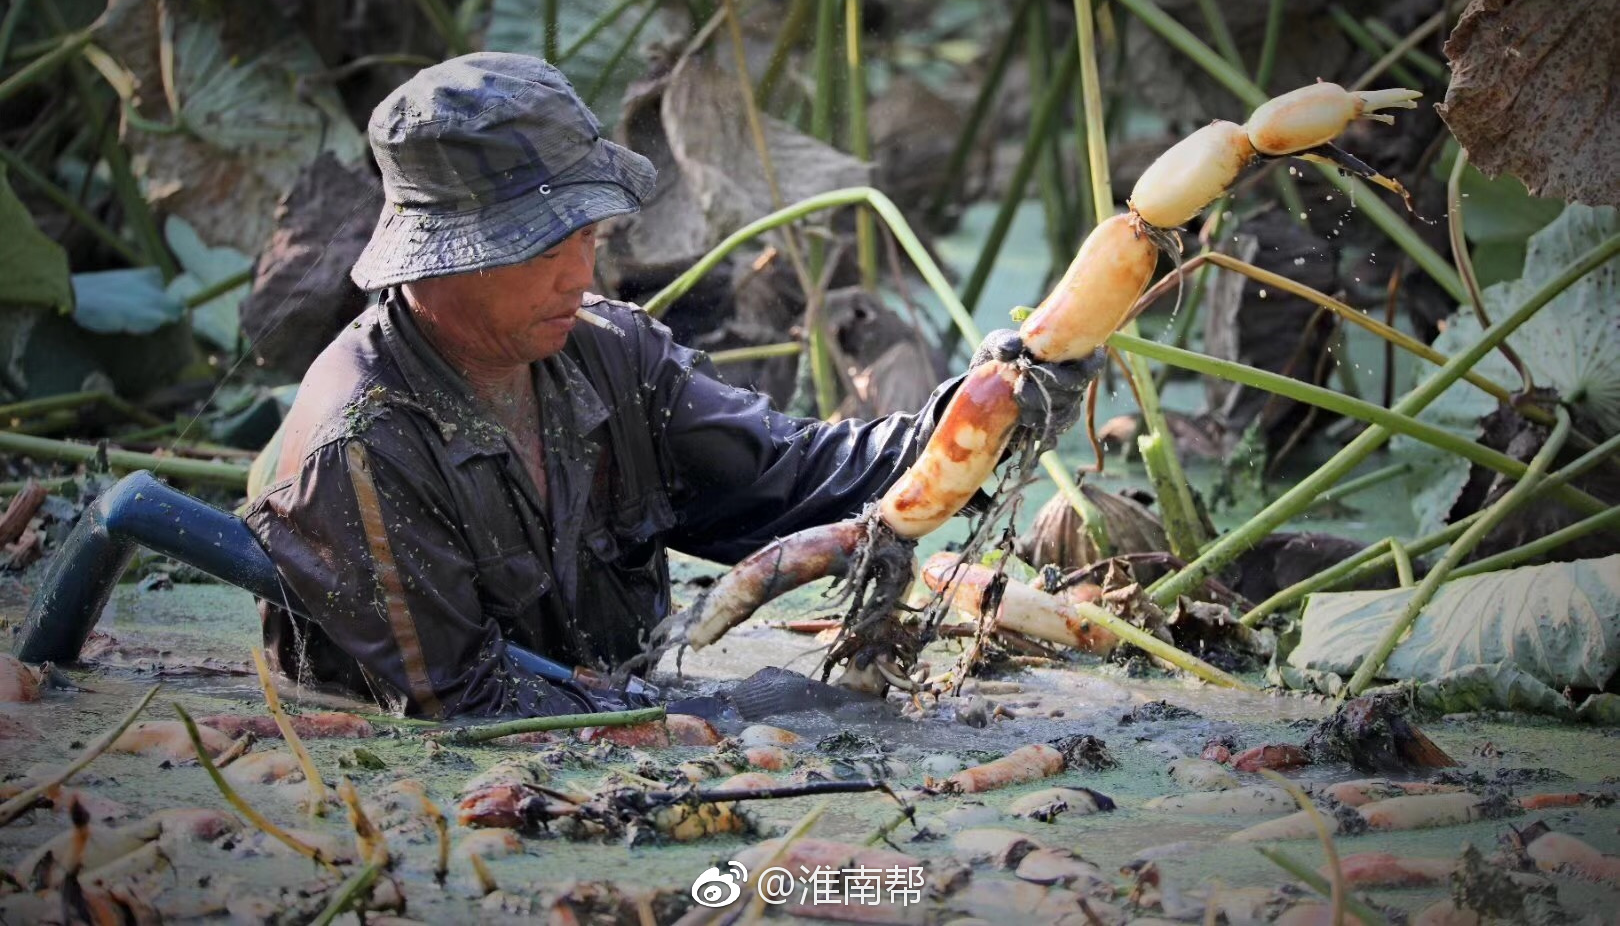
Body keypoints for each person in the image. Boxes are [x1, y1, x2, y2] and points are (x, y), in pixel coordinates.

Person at [246, 53, 1094, 719]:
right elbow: (457, 711)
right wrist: (714, 718)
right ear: (447, 257)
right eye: (545, 247)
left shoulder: (611, 357)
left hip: (624, 726)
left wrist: (991, 409)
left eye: (587, 235)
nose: (581, 276)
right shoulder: (362, 446)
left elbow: (802, 480)